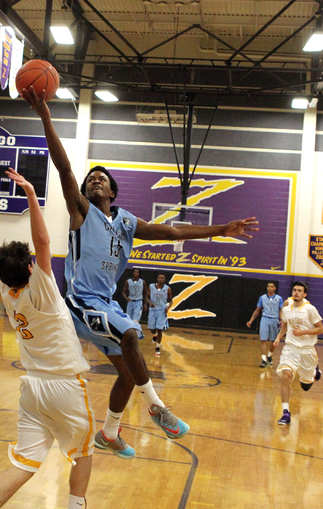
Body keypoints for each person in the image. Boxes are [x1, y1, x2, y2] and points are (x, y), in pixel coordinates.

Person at [21, 86, 259, 457]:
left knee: (129, 372)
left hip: (106, 304)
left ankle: (109, 434)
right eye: (90, 178)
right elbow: (64, 166)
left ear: (113, 191)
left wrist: (220, 230)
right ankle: (157, 407)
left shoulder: (128, 222)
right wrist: (46, 118)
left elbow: (174, 232)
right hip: (80, 302)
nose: (94, 180)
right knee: (131, 334)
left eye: (101, 178)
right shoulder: (82, 211)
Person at [0, 169, 93, 509]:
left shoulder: (7, 291)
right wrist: (31, 196)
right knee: (83, 452)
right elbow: (43, 242)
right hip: (64, 385)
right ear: (29, 270)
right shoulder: (42, 288)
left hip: (33, 389)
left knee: (24, 462)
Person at [273, 281, 322, 426]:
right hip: (291, 348)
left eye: (299, 291)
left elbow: (320, 329)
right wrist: (278, 338)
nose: (296, 292)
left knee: (305, 386)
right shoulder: (287, 310)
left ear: (304, 294)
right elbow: (285, 326)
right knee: (286, 376)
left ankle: (314, 370)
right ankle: (286, 413)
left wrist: (304, 332)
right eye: (294, 290)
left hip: (307, 350)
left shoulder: (310, 309)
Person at [247, 282, 283, 367]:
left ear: (275, 288)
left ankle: (269, 355)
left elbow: (281, 310)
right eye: (268, 286)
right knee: (263, 339)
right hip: (265, 319)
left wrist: (282, 320)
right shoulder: (262, 298)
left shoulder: (279, 298)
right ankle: (263, 359)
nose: (270, 288)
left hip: (274, 320)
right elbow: (257, 310)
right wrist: (251, 320)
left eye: (271, 286)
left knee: (273, 341)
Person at [147, 273, 173, 356]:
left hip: (162, 310)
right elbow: (147, 297)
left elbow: (171, 300)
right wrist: (150, 303)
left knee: (159, 329)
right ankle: (154, 335)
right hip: (153, 309)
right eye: (160, 277)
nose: (161, 279)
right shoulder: (151, 286)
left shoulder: (167, 288)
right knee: (152, 329)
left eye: (163, 278)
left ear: (164, 279)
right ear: (157, 279)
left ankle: (158, 347)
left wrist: (168, 307)